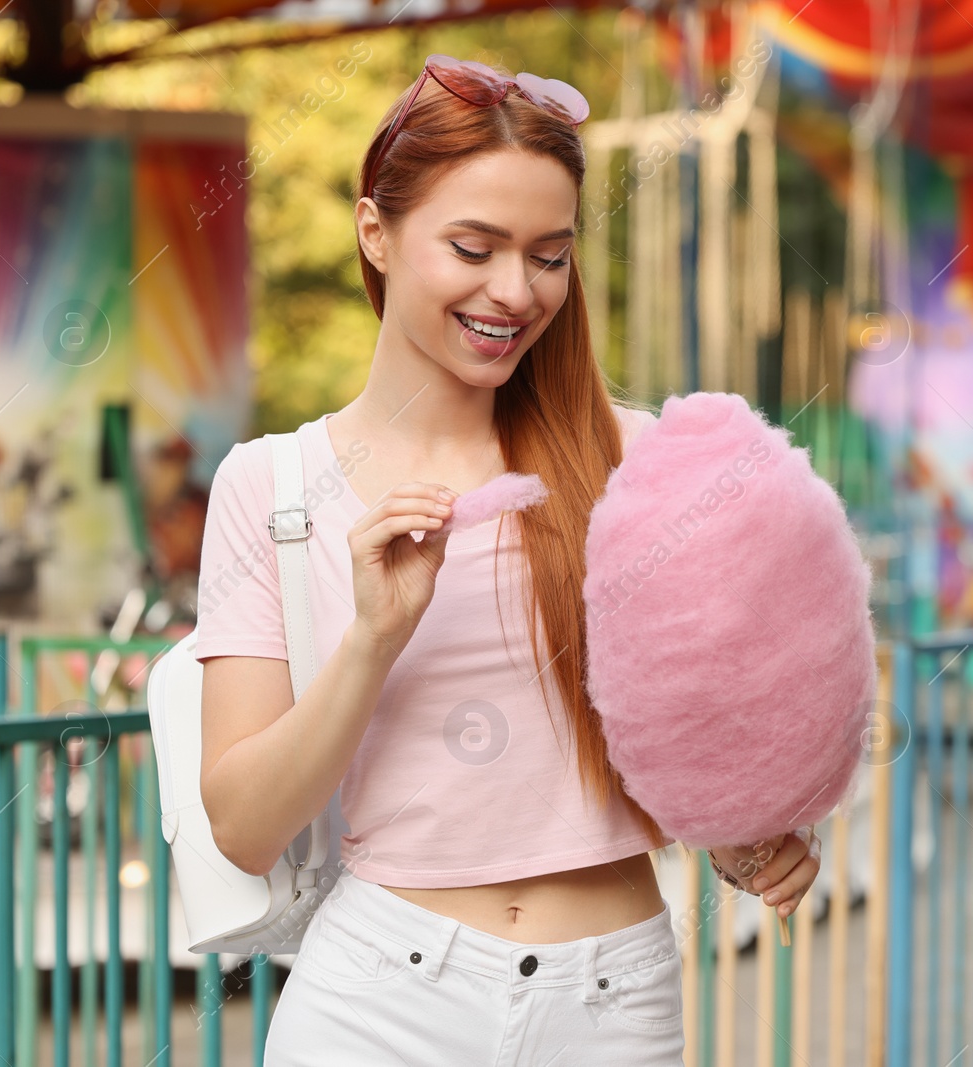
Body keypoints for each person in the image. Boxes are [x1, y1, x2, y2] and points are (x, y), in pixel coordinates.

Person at [194, 54, 822, 1065]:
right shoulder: (271, 488)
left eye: (548, 254)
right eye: (473, 245)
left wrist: (747, 830)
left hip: (612, 999)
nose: (514, 290)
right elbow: (245, 825)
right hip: (373, 1002)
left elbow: (696, 727)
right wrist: (372, 639)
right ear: (375, 233)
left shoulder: (637, 458)